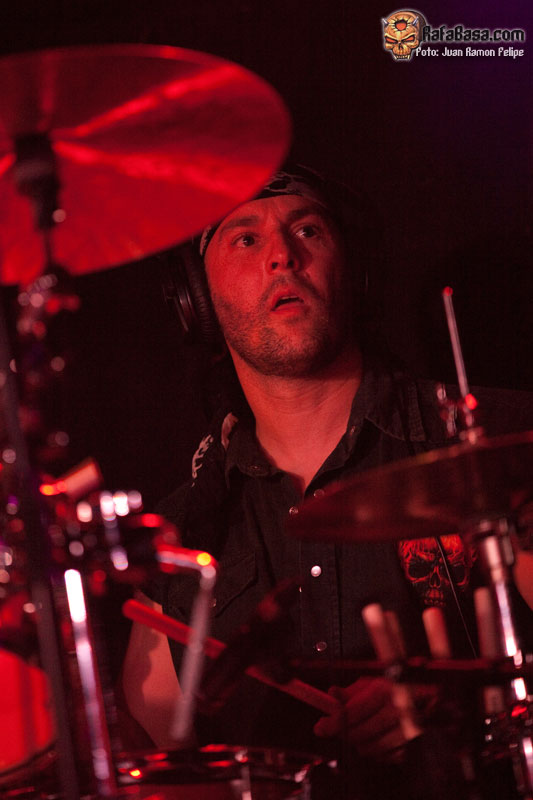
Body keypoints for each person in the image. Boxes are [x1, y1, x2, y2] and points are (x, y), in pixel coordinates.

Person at [122, 166, 533, 797]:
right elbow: (158, 773)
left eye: (307, 230)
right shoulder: (178, 541)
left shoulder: (497, 447)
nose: (283, 255)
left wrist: (467, 706)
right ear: (196, 300)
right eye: (245, 239)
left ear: (354, 272)